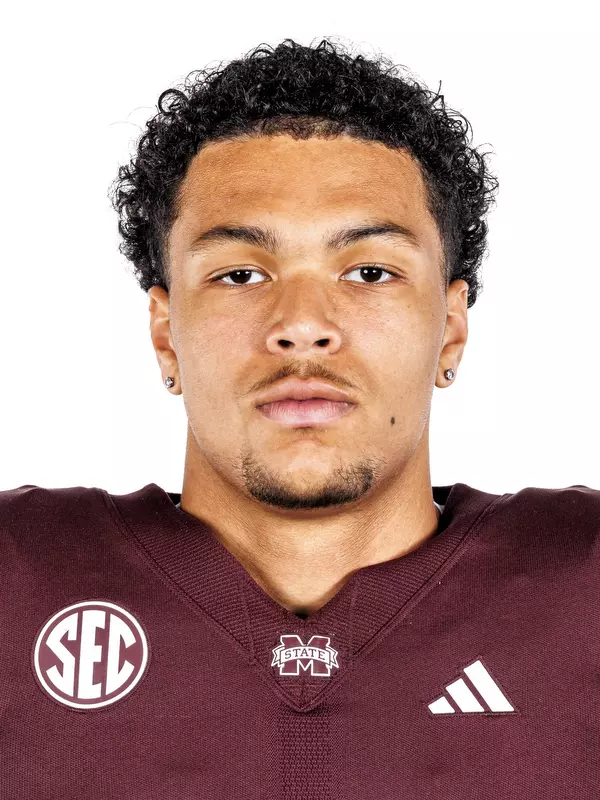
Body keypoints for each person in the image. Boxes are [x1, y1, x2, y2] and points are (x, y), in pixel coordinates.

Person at [1, 37, 598, 800]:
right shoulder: (17, 582)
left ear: (451, 328)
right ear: (165, 334)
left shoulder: (583, 586)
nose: (303, 326)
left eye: (369, 272)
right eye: (241, 274)